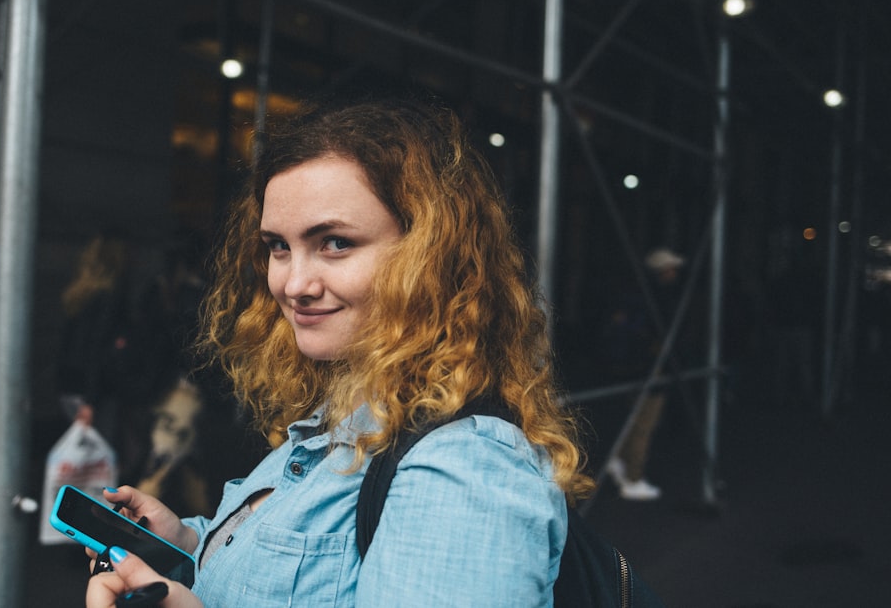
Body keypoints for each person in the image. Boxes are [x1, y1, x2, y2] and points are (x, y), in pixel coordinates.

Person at [82, 96, 594, 607]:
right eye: (278, 246)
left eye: (334, 243)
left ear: (431, 257)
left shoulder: (463, 470)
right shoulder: (343, 411)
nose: (293, 283)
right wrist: (188, 542)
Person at [56, 233, 152, 484]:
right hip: (96, 393)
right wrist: (90, 401)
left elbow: (70, 348)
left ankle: (78, 509)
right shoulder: (111, 297)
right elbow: (98, 352)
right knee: (104, 460)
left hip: (69, 388)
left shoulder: (78, 294)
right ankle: (99, 514)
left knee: (85, 459)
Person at [606, 247, 685, 501]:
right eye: (671, 268)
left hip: (631, 367)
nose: (675, 273)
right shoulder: (659, 300)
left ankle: (620, 461)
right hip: (650, 366)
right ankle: (633, 478)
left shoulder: (634, 295)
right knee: (645, 423)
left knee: (634, 418)